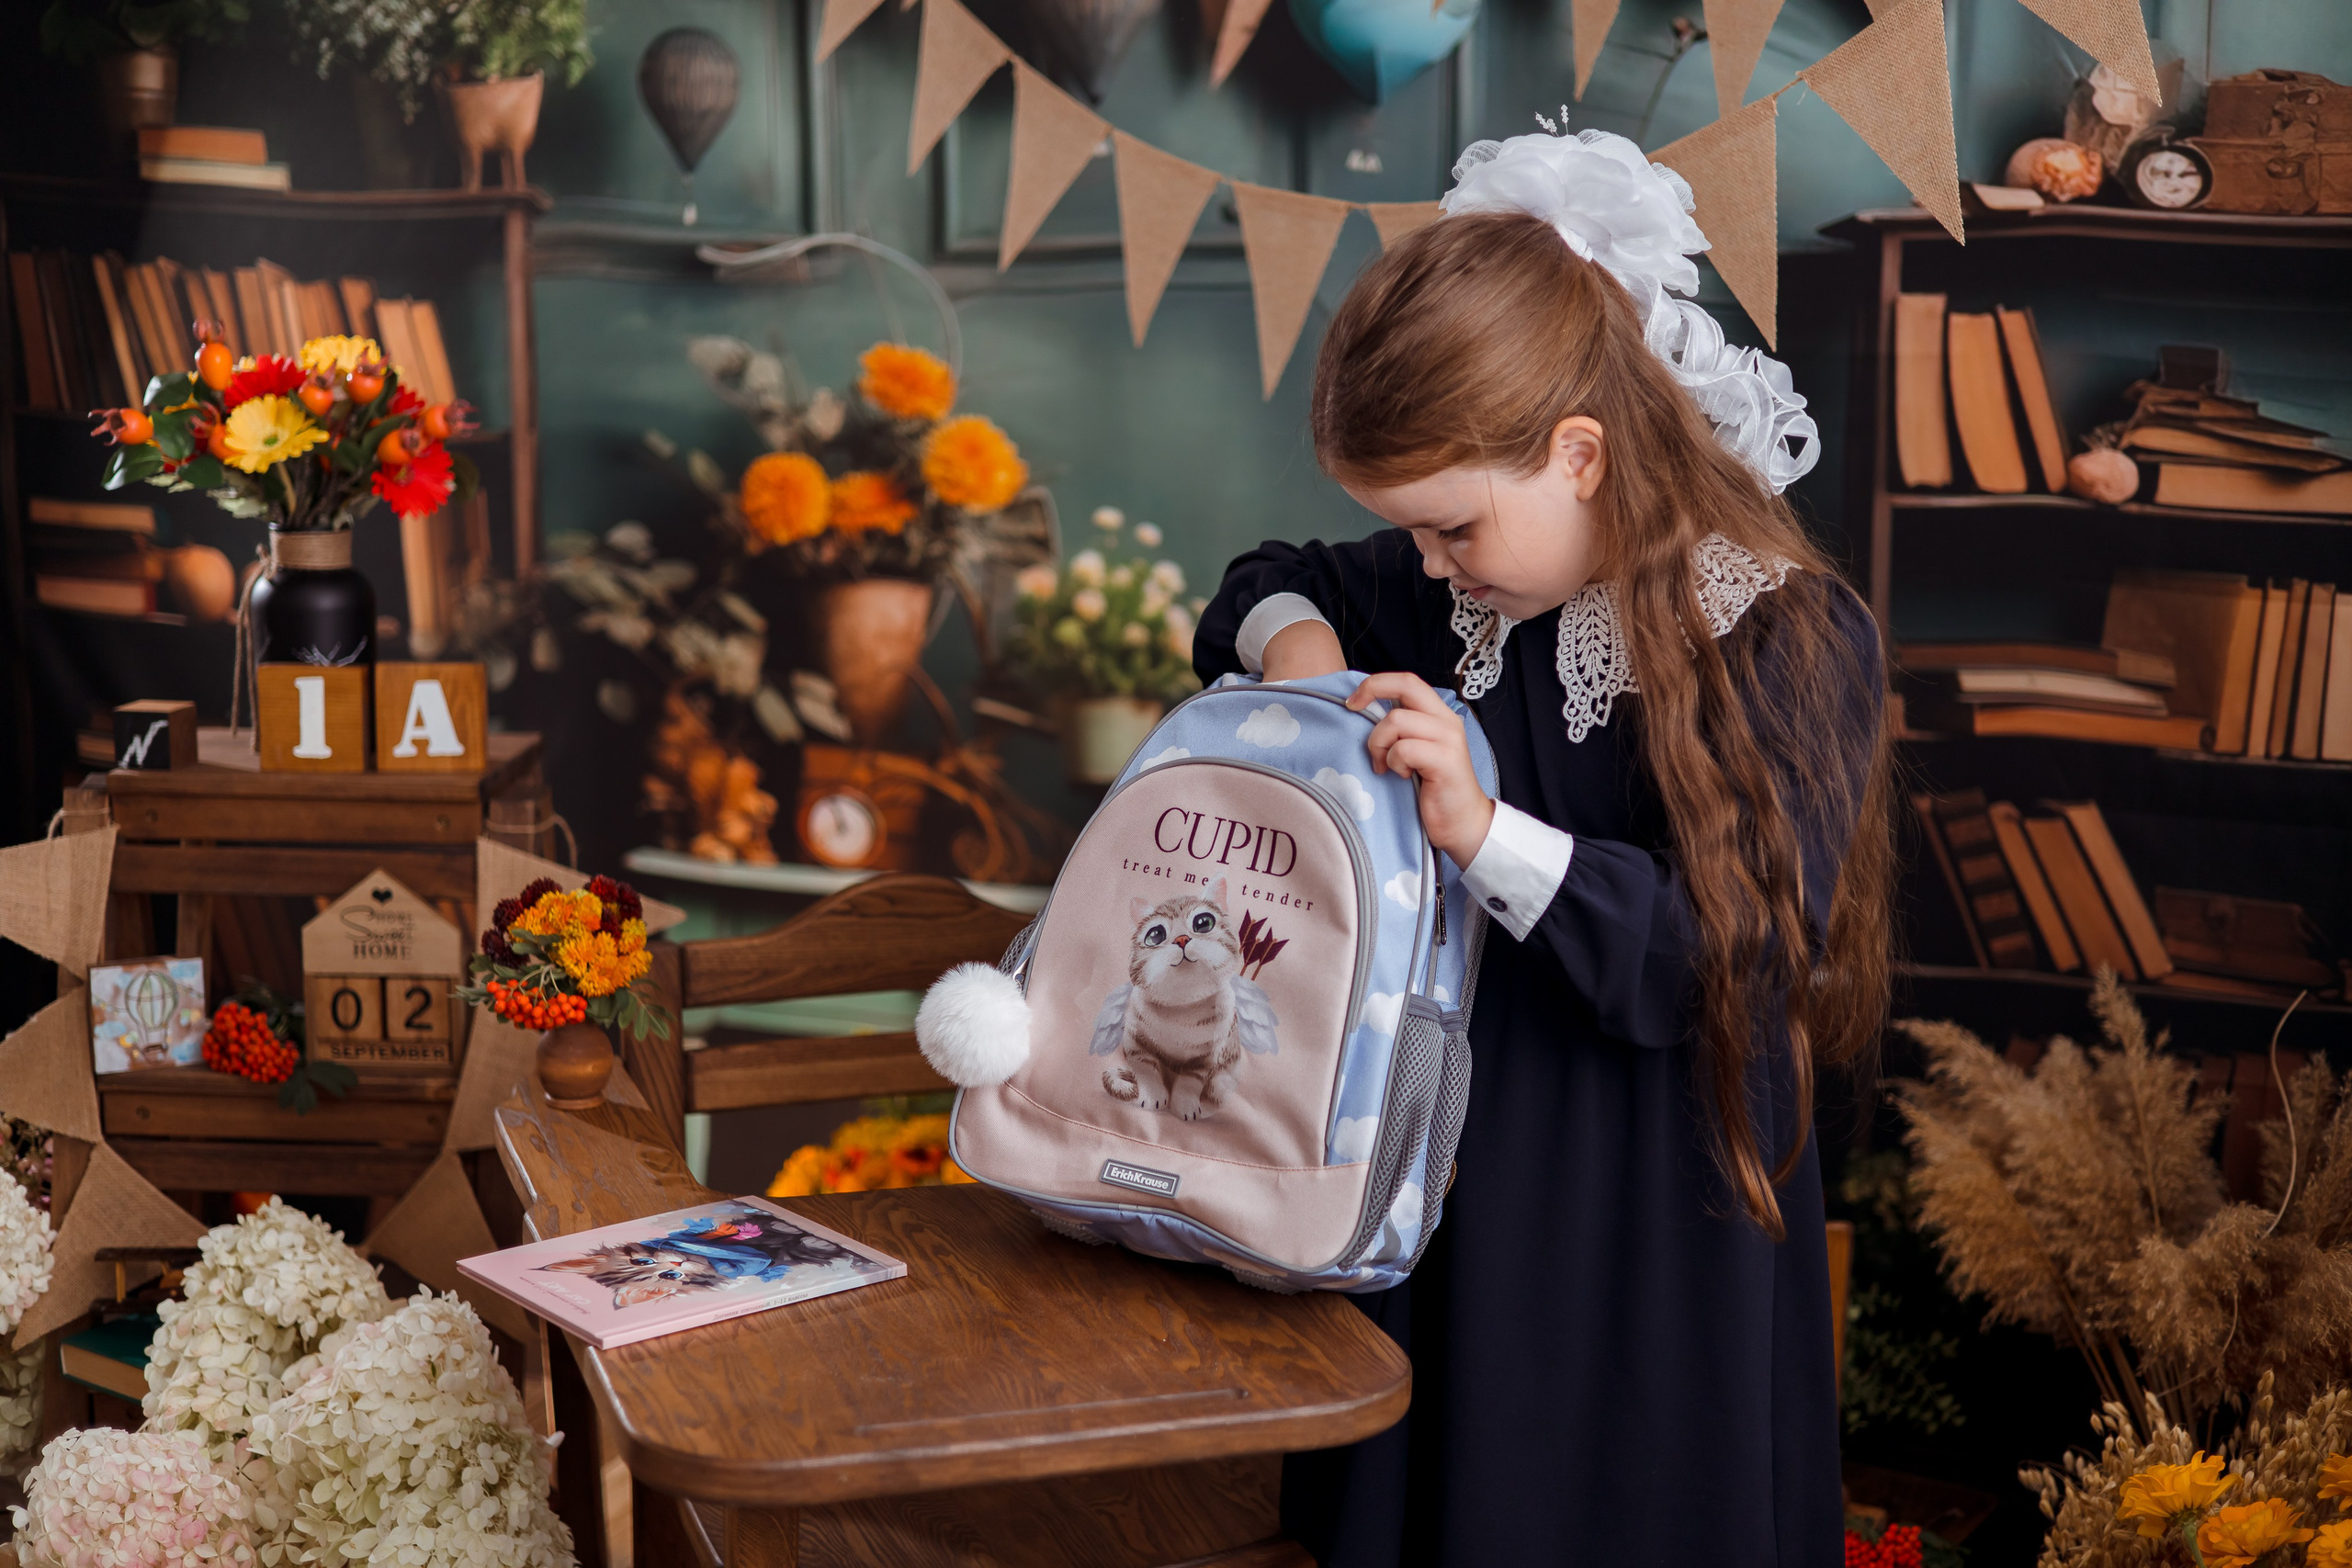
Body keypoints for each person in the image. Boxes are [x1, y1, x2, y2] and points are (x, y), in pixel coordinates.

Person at [1193, 126, 1894, 1566]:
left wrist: (1484, 830)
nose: (1433, 567)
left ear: (1579, 452)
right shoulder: (1455, 587)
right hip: (1437, 1188)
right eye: (1411, 536)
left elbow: (1740, 951)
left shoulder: (1783, 630)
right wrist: (1311, 656)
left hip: (1645, 1211)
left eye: (1452, 528)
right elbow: (1265, 583)